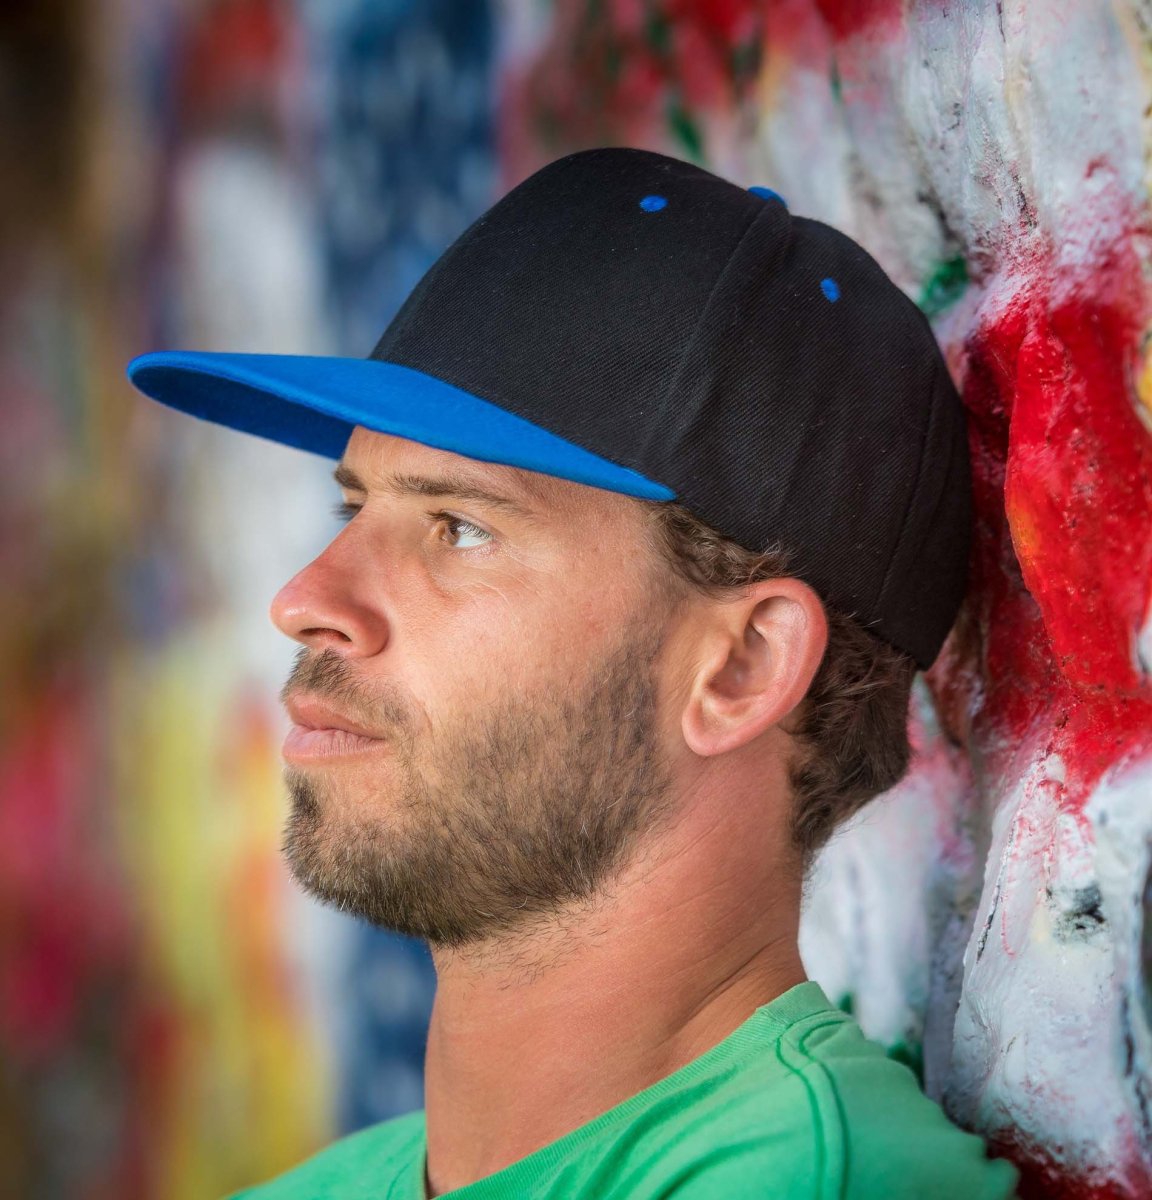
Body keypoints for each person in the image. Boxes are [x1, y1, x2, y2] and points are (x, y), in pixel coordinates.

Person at [127, 146, 1019, 1199]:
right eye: (353, 507)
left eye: (458, 528)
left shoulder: (820, 1184)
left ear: (742, 666)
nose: (304, 599)